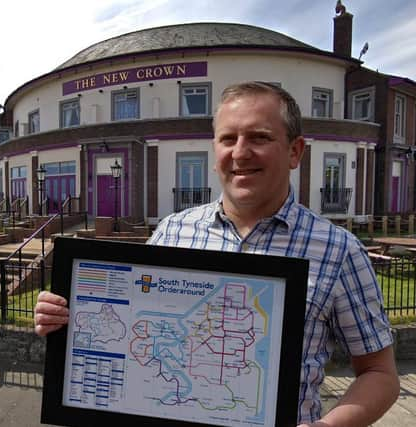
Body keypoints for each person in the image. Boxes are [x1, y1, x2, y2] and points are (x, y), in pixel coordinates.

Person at [34, 81, 399, 426]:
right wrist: (67, 315)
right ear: (215, 153)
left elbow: (380, 374)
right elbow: (132, 332)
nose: (240, 152)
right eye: (228, 138)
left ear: (294, 151)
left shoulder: (339, 250)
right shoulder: (172, 231)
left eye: (260, 137)